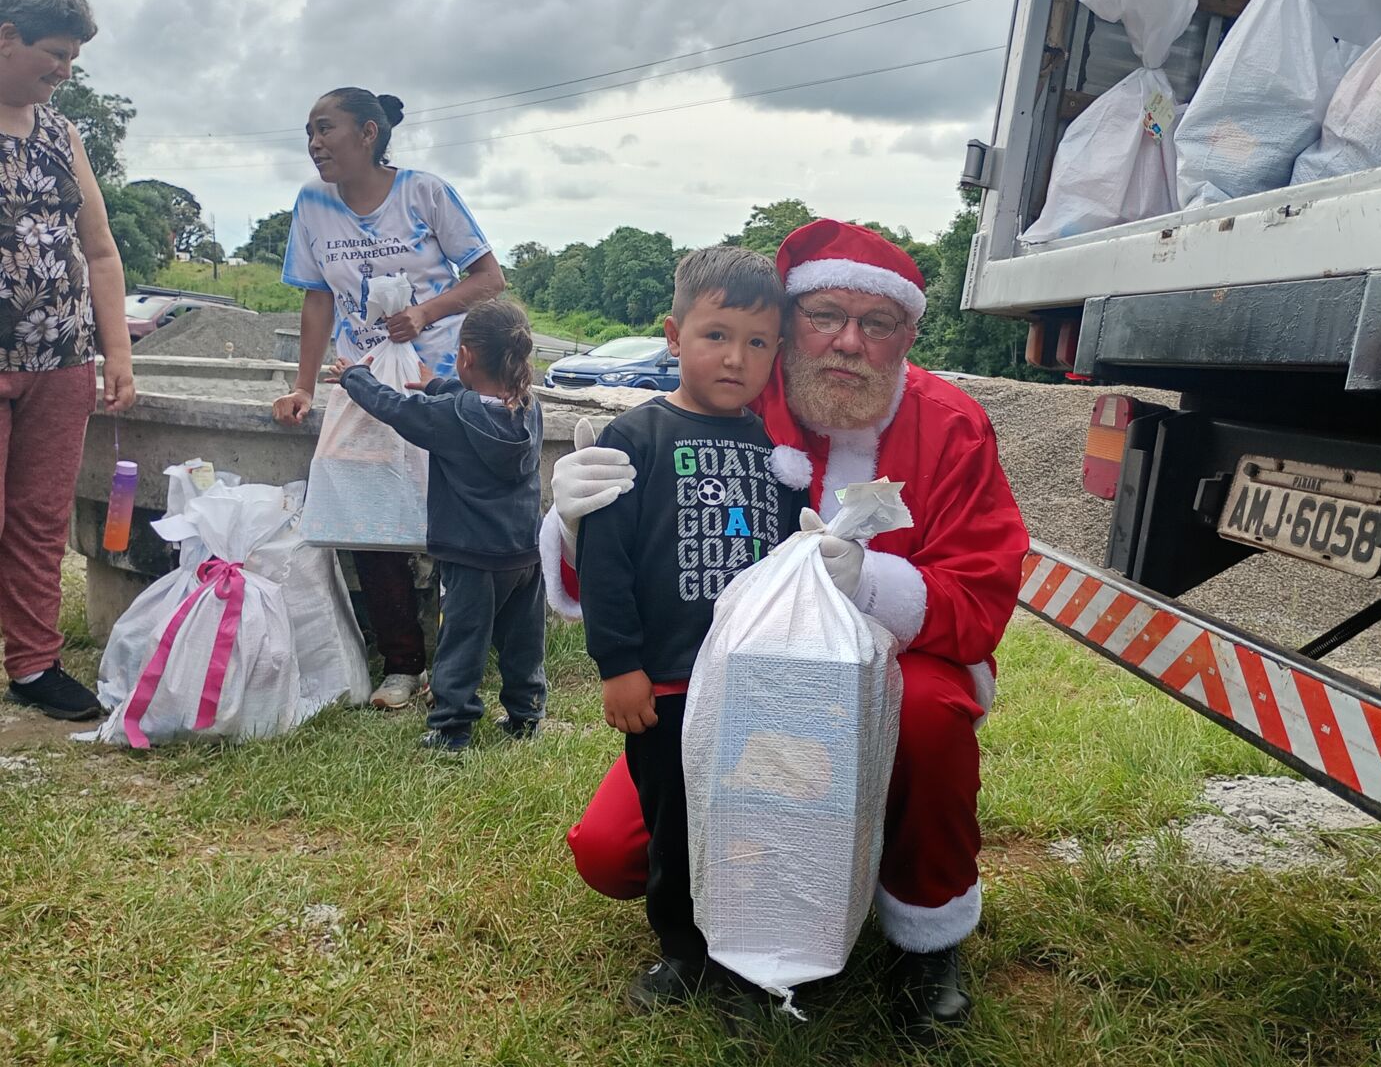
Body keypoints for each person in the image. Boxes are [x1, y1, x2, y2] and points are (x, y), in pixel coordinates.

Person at [546, 219, 1028, 1040]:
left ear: (909, 335)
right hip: (731, 677)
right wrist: (569, 520)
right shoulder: (745, 391)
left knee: (925, 718)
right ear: (790, 322)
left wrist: (868, 584)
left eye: (877, 323)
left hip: (894, 666)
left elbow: (983, 589)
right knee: (611, 851)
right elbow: (647, 541)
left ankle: (924, 936)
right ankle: (739, 910)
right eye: (825, 315)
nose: (848, 342)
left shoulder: (951, 424)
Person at [577, 246, 807, 1012]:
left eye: (757, 342)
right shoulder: (633, 438)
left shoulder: (776, 454)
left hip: (754, 685)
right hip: (668, 685)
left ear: (777, 352)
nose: (735, 358)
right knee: (674, 828)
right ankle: (683, 951)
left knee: (753, 820)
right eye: (716, 335)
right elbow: (604, 561)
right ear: (674, 336)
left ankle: (749, 951)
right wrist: (619, 665)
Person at [272, 87, 506, 710]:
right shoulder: (312, 203)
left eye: (326, 129)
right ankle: (402, 663)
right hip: (366, 383)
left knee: (452, 518)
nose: (315, 144)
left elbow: (489, 278)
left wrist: (424, 312)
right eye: (309, 132)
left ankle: (457, 662)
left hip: (442, 380)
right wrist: (303, 385)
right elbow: (318, 298)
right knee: (366, 516)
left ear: (368, 133)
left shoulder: (424, 193)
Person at [0, 0, 136, 721]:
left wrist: (117, 354)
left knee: (41, 519)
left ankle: (33, 665)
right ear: (6, 37)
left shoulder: (62, 134)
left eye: (74, 59)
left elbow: (101, 249)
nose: (64, 71)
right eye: (55, 54)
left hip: (61, 359)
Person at [329, 297, 545, 752]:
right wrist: (438, 384)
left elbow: (392, 407)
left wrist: (354, 377)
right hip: (524, 554)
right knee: (522, 642)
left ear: (465, 356)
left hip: (471, 557)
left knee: (461, 642)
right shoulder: (529, 408)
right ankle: (526, 715)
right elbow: (477, 403)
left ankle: (452, 728)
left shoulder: (448, 418)